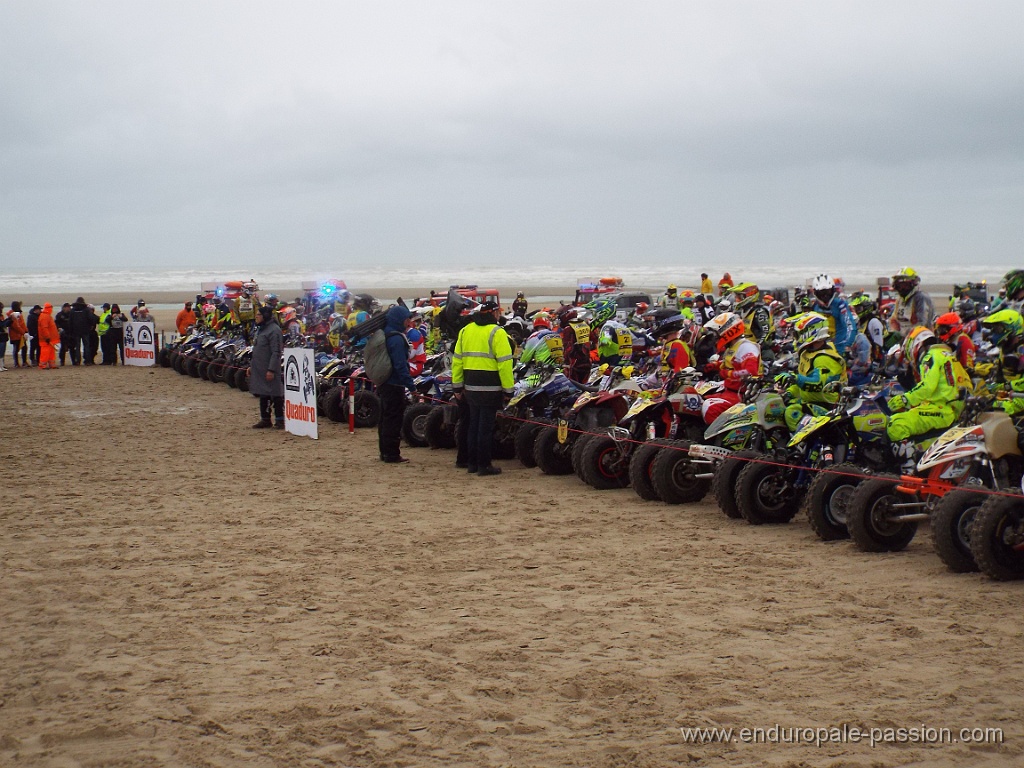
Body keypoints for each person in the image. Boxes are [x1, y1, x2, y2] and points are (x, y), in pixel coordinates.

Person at [886, 326, 971, 468]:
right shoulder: (947, 355)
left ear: (916, 344)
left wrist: (905, 399)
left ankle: (908, 468)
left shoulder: (931, 356)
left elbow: (927, 386)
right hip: (951, 410)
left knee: (896, 424)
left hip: (941, 410)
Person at [452, 300, 515, 476]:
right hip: (490, 387)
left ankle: (471, 463)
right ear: (494, 313)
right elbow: (504, 364)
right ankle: (484, 465)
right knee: (485, 429)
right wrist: (508, 390)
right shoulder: (497, 332)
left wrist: (457, 387)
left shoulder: (466, 330)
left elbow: (457, 361)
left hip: (470, 386)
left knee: (473, 425)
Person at [778, 313, 848, 430]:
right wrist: (788, 393)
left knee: (791, 412)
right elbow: (803, 383)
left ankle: (807, 446)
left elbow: (818, 384)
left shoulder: (824, 358)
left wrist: (794, 378)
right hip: (812, 401)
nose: (795, 337)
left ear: (810, 332)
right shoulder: (809, 353)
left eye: (797, 334)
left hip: (830, 406)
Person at [700, 312, 762, 424]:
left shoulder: (746, 347)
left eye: (717, 333)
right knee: (699, 397)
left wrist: (728, 374)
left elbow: (750, 371)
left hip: (742, 394)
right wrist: (712, 366)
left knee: (710, 408)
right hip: (729, 390)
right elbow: (728, 364)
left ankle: (714, 439)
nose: (716, 337)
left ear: (728, 331)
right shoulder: (733, 346)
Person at [377, 305, 418, 464]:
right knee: (393, 420)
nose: (409, 322)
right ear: (400, 320)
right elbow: (400, 365)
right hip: (394, 384)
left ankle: (384, 452)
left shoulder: (386, 333)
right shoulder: (396, 339)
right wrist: (411, 386)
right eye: (407, 319)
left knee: (385, 418)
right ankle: (392, 454)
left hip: (384, 382)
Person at [248, 306, 285, 429]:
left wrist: (271, 369)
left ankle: (279, 420)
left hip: (270, 368)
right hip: (260, 367)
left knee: (275, 394)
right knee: (263, 393)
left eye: (258, 315)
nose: (256, 317)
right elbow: (258, 349)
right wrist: (252, 366)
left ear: (265, 316)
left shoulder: (274, 330)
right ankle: (265, 419)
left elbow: (276, 352)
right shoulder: (261, 329)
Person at [810, 273, 857, 354]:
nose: (825, 295)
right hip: (820, 348)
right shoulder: (815, 307)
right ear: (815, 292)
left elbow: (850, 326)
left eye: (827, 292)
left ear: (833, 290)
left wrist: (847, 345)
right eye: (821, 292)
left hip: (839, 349)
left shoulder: (840, 305)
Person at [888, 267, 934, 336]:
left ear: (913, 283)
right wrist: (895, 333)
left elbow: (922, 324)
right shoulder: (899, 300)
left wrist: (909, 336)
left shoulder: (920, 298)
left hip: (920, 338)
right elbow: (894, 320)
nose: (902, 289)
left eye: (905, 285)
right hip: (904, 339)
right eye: (899, 285)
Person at [559, 306, 593, 384]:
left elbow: (568, 348)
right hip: (587, 361)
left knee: (574, 387)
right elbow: (593, 341)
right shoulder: (585, 325)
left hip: (574, 364)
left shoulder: (568, 329)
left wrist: (565, 362)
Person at [36, 303, 60, 369]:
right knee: (45, 352)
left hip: (50, 339)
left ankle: (52, 364)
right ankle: (42, 365)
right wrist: (47, 337)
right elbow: (44, 328)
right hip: (46, 339)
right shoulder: (45, 316)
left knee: (51, 352)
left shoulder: (46, 316)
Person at [6, 301, 28, 368]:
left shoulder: (18, 314)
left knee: (24, 347)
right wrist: (23, 332)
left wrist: (26, 331)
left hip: (21, 335)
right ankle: (16, 363)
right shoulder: (12, 315)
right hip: (15, 335)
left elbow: (22, 323)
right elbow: (15, 326)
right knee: (16, 348)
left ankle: (24, 362)